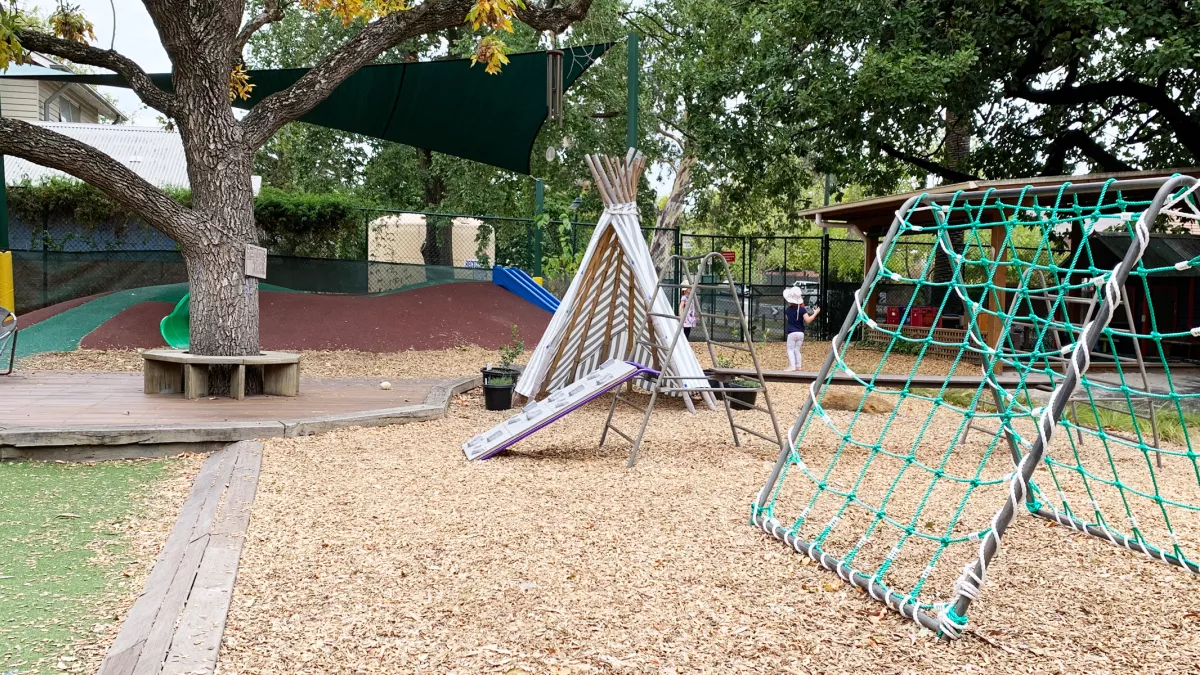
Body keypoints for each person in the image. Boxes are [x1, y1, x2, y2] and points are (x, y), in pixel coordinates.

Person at [783, 284, 820, 371]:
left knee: (790, 349)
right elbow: (808, 320)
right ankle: (798, 366)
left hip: (792, 333)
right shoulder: (802, 309)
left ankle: (792, 366)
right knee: (797, 350)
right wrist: (815, 313)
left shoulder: (788, 310)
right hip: (801, 333)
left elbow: (788, 319)